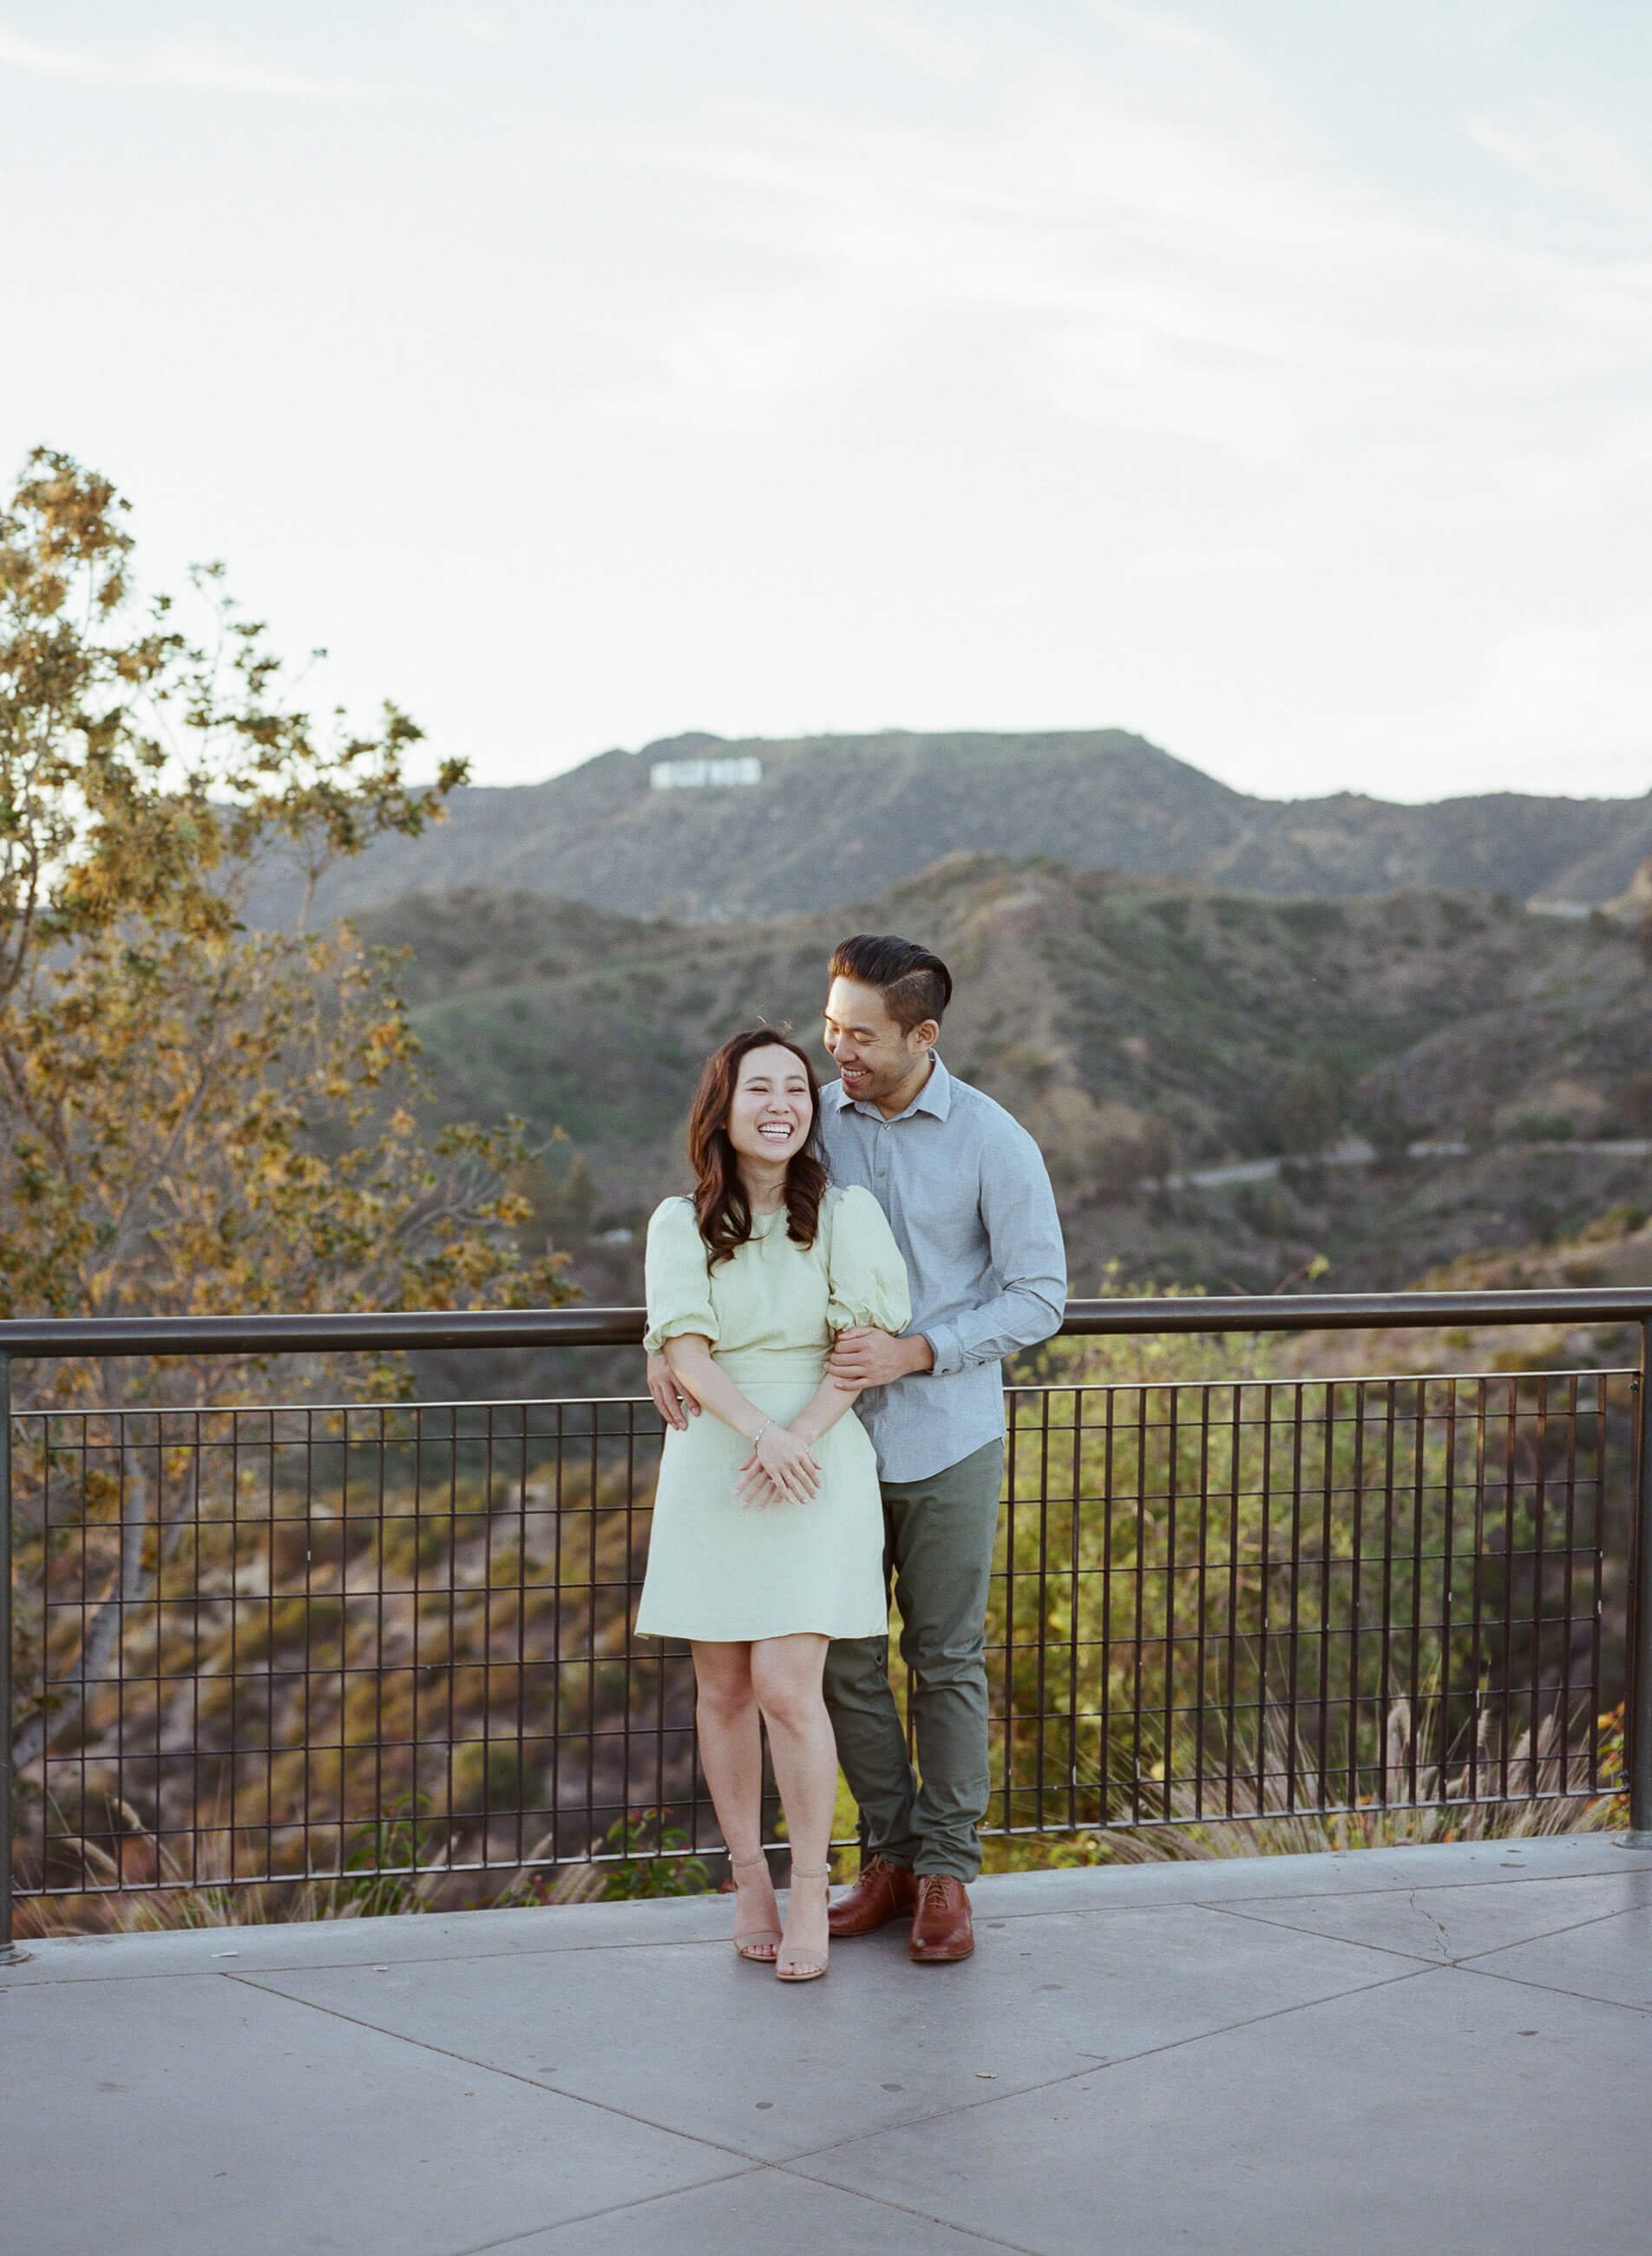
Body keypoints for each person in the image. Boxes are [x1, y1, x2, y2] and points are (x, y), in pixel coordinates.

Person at [652, 934, 1067, 1965]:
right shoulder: (807, 1112)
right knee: (837, 1664)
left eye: (859, 1036)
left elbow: (1039, 1295)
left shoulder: (991, 1140)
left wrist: (919, 1348)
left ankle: (944, 1872)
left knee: (943, 1658)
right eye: (830, 1027)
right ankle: (882, 1854)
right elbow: (718, 1235)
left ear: (922, 1035)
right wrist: (660, 1342)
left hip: (939, 1437)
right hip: (820, 1458)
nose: (837, 1050)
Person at [635, 1027, 910, 1982]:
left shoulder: (844, 1213)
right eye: (760, 1087)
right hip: (719, 1456)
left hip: (817, 1455)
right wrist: (758, 1430)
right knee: (721, 1686)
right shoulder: (679, 1222)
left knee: (788, 1685)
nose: (781, 1103)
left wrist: (799, 1432)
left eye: (796, 1087)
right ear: (724, 1105)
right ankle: (745, 1876)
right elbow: (684, 1348)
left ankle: (807, 1884)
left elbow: (861, 1341)